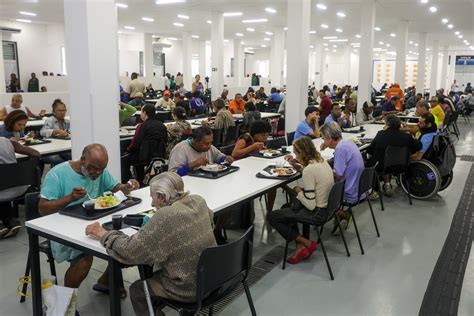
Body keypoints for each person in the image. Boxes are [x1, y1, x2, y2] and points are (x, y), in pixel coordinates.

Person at [85, 172, 216, 316]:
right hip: (213, 276)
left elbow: (130, 251)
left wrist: (103, 234)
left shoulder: (166, 215)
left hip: (189, 288)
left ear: (162, 196)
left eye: (153, 198)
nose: (152, 204)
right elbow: (211, 224)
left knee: (138, 290)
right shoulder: (199, 200)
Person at [39, 144, 140, 298]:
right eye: (93, 168)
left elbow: (115, 188)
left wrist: (126, 187)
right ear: (83, 159)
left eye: (101, 169)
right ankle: (67, 305)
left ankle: (105, 281)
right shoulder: (57, 174)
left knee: (125, 243)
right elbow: (42, 208)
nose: (97, 173)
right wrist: (70, 198)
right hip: (63, 229)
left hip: (93, 224)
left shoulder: (99, 172)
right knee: (85, 257)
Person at [266, 136, 334, 264]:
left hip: (317, 213)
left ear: (302, 152)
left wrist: (299, 192)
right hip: (328, 208)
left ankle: (306, 242)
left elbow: (310, 205)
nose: (295, 156)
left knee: (272, 216)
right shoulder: (320, 161)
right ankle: (300, 247)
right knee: (287, 206)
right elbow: (309, 171)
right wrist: (295, 165)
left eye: (296, 153)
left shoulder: (309, 170)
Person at [320, 122, 364, 233]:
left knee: (318, 194)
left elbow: (338, 175)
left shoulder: (340, 150)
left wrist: (322, 167)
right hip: (359, 188)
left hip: (348, 192)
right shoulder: (347, 143)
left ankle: (344, 214)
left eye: (324, 138)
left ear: (329, 138)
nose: (323, 141)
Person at [366, 115, 421, 197]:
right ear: (400, 125)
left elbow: (369, 150)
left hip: (383, 167)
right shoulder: (407, 136)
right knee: (384, 158)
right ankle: (387, 184)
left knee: (370, 161)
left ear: (387, 125)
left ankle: (373, 190)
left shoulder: (381, 134)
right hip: (402, 166)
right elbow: (418, 146)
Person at [0, 138, 40, 238]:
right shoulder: (7, 141)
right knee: (4, 184)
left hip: (2, 190)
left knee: (3, 186)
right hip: (20, 187)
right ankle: (10, 221)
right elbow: (36, 154)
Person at [168, 126, 234, 176]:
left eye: (211, 142)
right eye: (206, 143)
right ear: (195, 141)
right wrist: (193, 165)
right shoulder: (180, 149)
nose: (209, 146)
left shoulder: (209, 147)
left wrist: (226, 159)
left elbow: (218, 157)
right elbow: (172, 175)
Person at [125, 105, 168, 178]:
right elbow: (165, 140)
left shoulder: (142, 126)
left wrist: (128, 149)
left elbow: (135, 144)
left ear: (144, 113)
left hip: (143, 158)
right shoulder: (162, 125)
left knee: (125, 158)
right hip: (159, 156)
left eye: (141, 112)